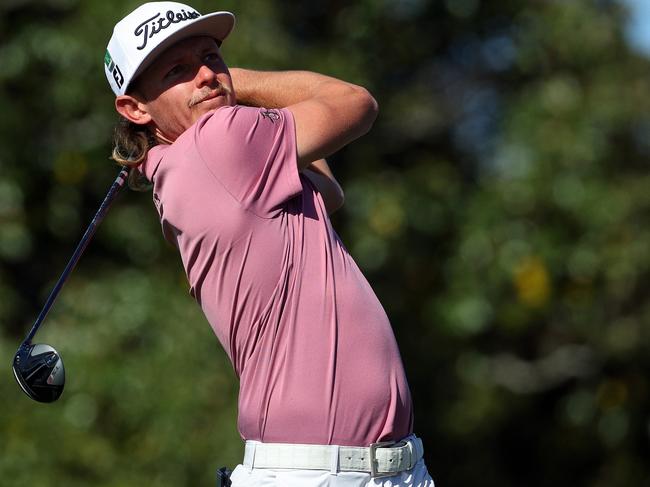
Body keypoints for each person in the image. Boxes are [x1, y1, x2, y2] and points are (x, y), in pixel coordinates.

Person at [105, 2, 435, 486]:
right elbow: (355, 102)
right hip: (319, 474)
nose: (205, 74)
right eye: (178, 70)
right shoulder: (219, 139)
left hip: (384, 469)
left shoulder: (197, 162)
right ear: (135, 108)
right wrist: (236, 80)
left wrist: (214, 88)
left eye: (212, 56)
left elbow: (328, 192)